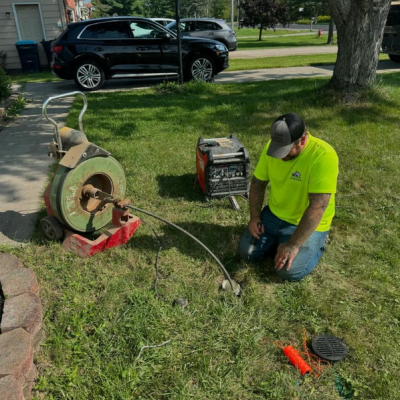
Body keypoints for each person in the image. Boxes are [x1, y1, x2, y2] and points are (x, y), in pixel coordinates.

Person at [239, 112, 339, 281]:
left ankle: (318, 241)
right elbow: (257, 183)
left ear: (302, 140)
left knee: (288, 272)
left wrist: (293, 245)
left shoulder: (323, 156)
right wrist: (255, 217)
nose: (280, 155)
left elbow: (318, 207)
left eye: (285, 150)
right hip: (274, 214)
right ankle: (280, 241)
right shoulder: (272, 147)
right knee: (246, 253)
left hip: (305, 221)